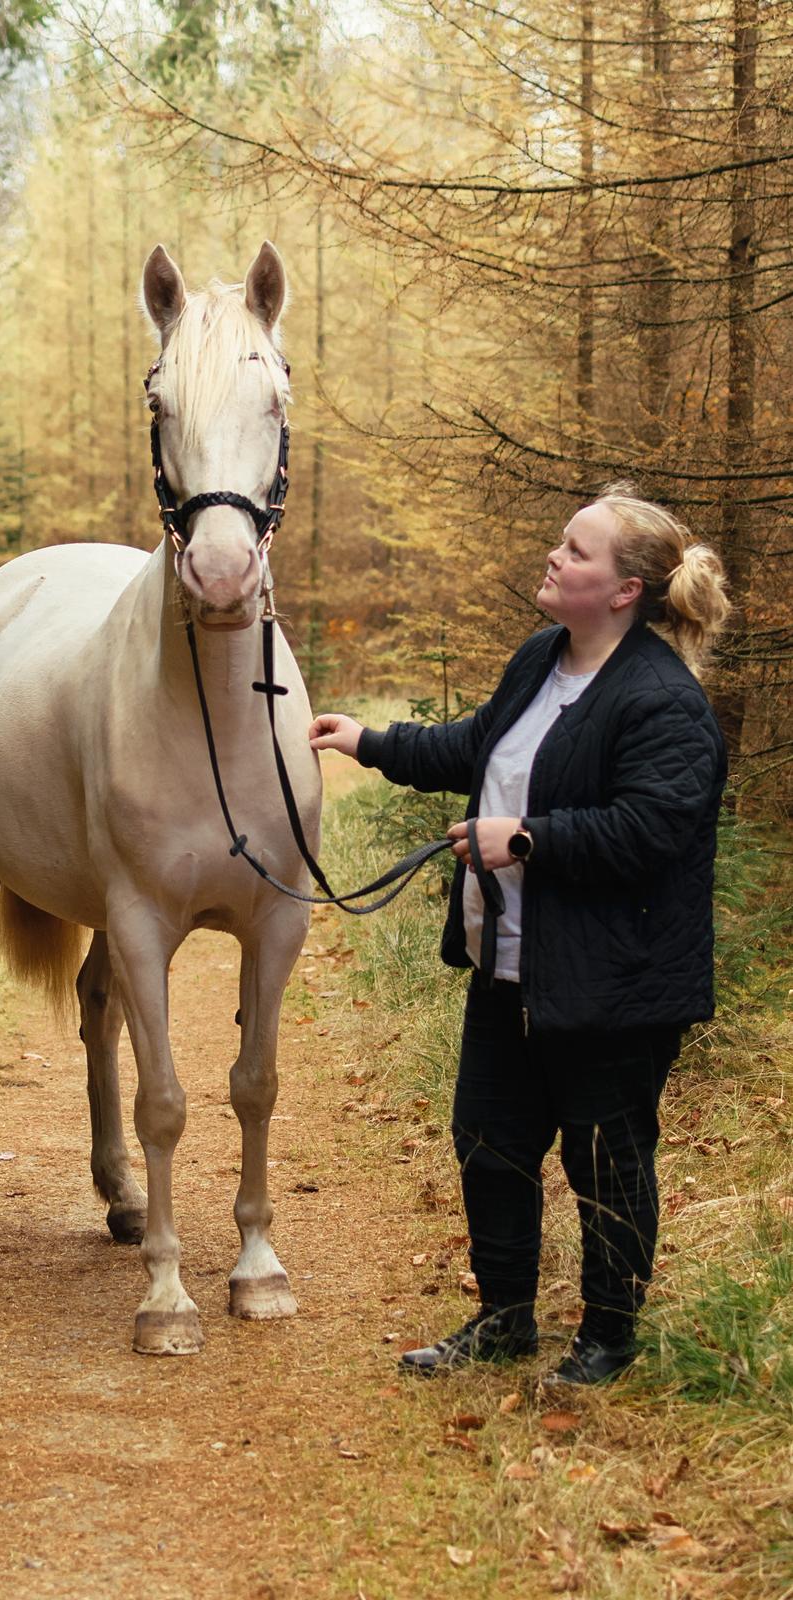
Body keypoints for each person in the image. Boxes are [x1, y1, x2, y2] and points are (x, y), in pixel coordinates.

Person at [308, 483, 729, 1385]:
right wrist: (369, 741)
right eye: (561, 544)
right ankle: (502, 1322)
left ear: (623, 590)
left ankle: (607, 1339)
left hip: (614, 980)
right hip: (508, 966)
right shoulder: (542, 656)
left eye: (576, 551)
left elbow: (652, 828)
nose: (555, 557)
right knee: (490, 1140)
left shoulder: (662, 701)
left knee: (603, 1160)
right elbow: (477, 746)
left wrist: (527, 839)